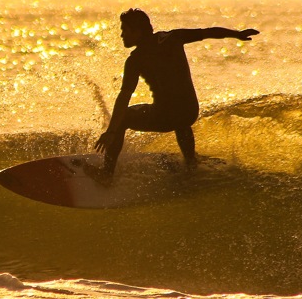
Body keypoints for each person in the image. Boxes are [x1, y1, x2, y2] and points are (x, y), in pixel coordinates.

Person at [91, 9, 259, 181]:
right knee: (179, 114)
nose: (121, 35)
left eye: (125, 30)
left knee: (124, 117)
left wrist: (112, 131)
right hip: (189, 111)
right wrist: (237, 34)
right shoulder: (172, 37)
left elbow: (124, 96)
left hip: (165, 116)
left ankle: (107, 173)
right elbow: (208, 32)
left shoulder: (135, 60)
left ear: (138, 31)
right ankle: (191, 162)